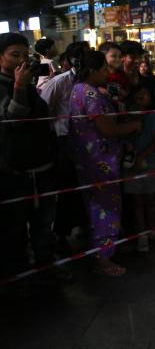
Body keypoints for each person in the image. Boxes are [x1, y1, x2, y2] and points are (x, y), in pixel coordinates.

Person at [69, 50, 141, 276]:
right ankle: (103, 259)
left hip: (86, 160)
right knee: (106, 208)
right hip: (101, 161)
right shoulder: (90, 94)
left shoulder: (77, 89)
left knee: (94, 207)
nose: (107, 74)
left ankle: (103, 251)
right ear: (92, 71)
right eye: (103, 70)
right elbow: (107, 129)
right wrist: (133, 126)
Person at [0, 33, 59, 287]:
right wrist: (19, 87)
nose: (22, 61)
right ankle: (20, 278)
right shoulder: (10, 85)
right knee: (14, 231)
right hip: (13, 173)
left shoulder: (30, 84)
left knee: (44, 227)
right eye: (15, 55)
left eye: (25, 55)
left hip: (43, 168)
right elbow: (13, 121)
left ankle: (46, 271)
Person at [39, 42, 89, 255]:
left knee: (83, 186)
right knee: (67, 188)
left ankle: (82, 225)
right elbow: (44, 111)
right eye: (79, 57)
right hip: (63, 140)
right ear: (69, 60)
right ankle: (60, 233)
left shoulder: (88, 82)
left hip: (86, 140)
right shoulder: (59, 82)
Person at [123, 86, 155, 252]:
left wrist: (141, 156)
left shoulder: (152, 117)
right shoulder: (126, 116)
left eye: (145, 93)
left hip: (148, 162)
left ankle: (153, 229)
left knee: (149, 200)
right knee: (137, 202)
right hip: (130, 164)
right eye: (138, 93)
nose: (141, 95)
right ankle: (141, 234)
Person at [120, 40, 155, 110]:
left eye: (139, 57)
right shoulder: (114, 81)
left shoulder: (151, 81)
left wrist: (148, 102)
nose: (137, 60)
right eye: (133, 57)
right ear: (122, 58)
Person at [99, 42, 129, 110]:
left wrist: (123, 93)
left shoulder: (122, 75)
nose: (118, 59)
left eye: (120, 56)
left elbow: (126, 92)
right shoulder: (98, 75)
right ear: (103, 57)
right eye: (114, 56)